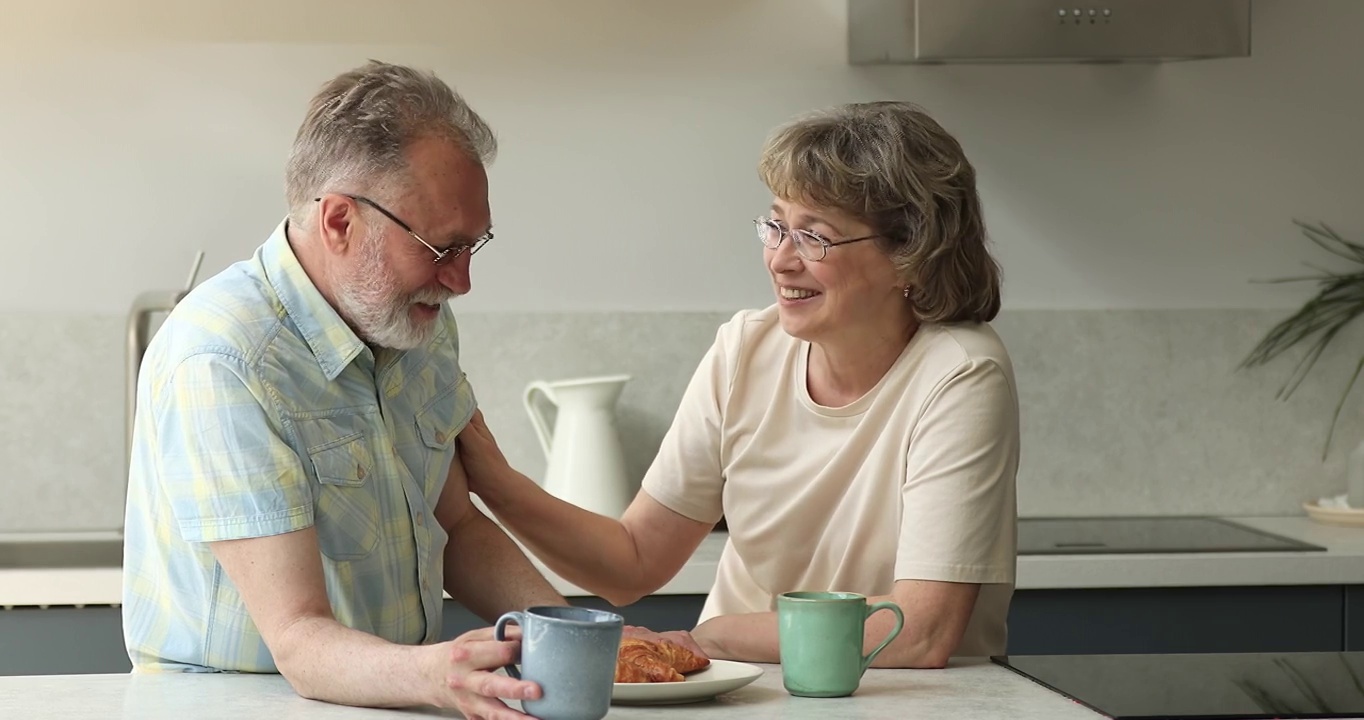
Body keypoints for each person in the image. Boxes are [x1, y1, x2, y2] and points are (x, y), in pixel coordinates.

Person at [459, 101, 1020, 668]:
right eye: (776, 225)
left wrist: (713, 638)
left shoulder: (959, 374)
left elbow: (920, 631)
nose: (780, 260)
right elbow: (632, 563)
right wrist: (495, 482)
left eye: (814, 237)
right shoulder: (746, 350)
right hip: (742, 696)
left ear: (912, 256)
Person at [121, 61, 568, 719]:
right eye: (442, 248)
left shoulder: (418, 325)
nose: (461, 281)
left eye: (474, 246)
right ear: (338, 221)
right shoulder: (225, 358)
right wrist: (436, 674)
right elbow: (299, 639)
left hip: (388, 699)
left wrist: (577, 638)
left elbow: (458, 525)